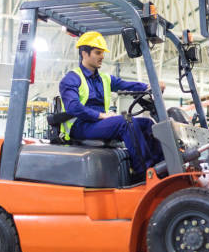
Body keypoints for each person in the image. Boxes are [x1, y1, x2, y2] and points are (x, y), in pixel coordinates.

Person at [59, 31, 165, 174]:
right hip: (80, 125)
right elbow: (73, 107)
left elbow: (126, 85)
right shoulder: (71, 78)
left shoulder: (105, 78)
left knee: (148, 124)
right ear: (84, 53)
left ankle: (162, 167)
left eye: (102, 53)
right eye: (98, 52)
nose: (102, 56)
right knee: (125, 123)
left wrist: (149, 87)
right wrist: (101, 115)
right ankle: (145, 172)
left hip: (97, 123)